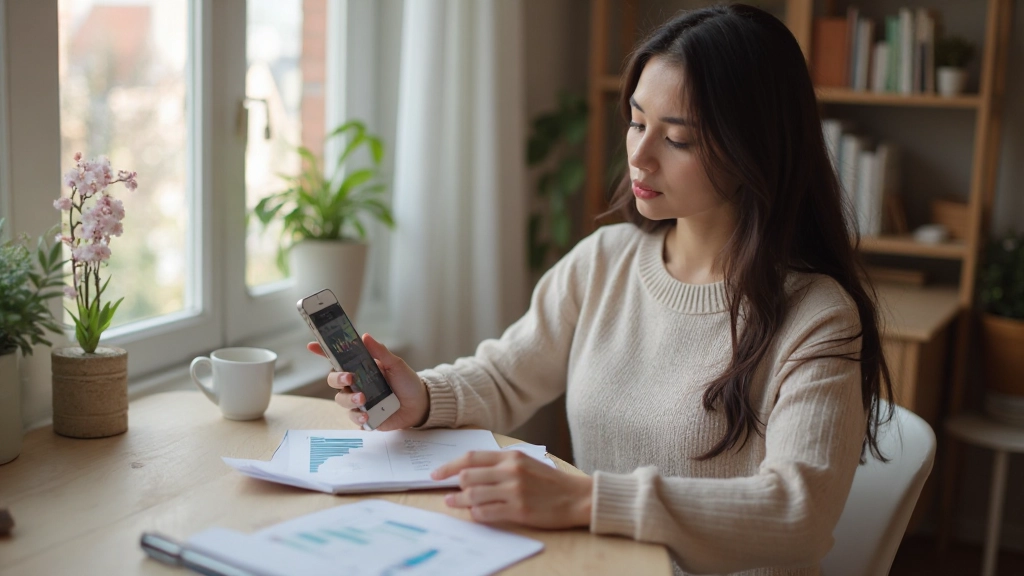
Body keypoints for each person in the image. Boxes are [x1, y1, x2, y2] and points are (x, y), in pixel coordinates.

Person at [308, 4, 893, 575]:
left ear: (754, 149)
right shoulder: (605, 262)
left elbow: (799, 514)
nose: (638, 155)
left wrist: (586, 502)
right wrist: (423, 397)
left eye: (678, 139)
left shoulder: (818, 317)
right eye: (637, 121)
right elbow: (507, 375)